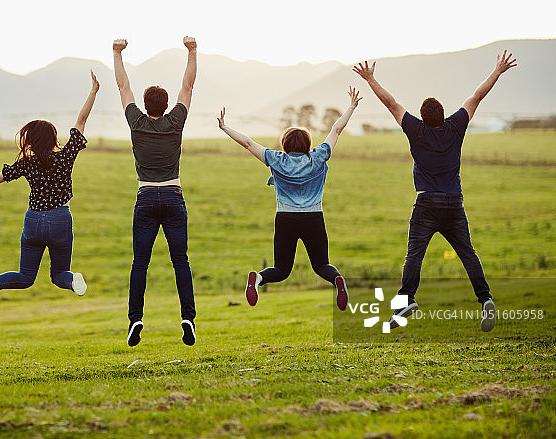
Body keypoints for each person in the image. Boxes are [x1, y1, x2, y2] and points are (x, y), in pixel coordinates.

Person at [353, 50, 517, 332]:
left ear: (423, 118)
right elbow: (477, 96)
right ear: (444, 114)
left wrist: (370, 79)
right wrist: (497, 71)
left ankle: (407, 301)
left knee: (414, 254)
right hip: (454, 202)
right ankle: (485, 298)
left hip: (426, 203)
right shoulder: (456, 126)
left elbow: (390, 103)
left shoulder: (416, 130)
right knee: (468, 254)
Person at [0, 71, 99, 298]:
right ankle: (72, 280)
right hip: (60, 219)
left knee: (25, 276)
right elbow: (81, 120)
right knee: (60, 275)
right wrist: (93, 91)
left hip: (34, 221)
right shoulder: (66, 156)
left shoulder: (27, 163)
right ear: (53, 137)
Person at [217, 88, 362, 311]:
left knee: (282, 270)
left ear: (285, 144)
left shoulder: (276, 160)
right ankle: (337, 281)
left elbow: (247, 142)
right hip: (313, 218)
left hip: (285, 218)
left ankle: (258, 279)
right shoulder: (319, 156)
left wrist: (225, 127)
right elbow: (336, 129)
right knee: (322, 264)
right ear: (307, 144)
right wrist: (351, 106)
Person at [113, 36, 198, 347]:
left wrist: (117, 53)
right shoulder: (176, 121)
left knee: (140, 262)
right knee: (180, 261)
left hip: (146, 197)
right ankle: (187, 317)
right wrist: (191, 51)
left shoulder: (136, 122)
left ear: (145, 105)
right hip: (174, 197)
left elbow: (123, 88)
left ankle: (136, 319)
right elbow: (187, 87)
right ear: (166, 105)